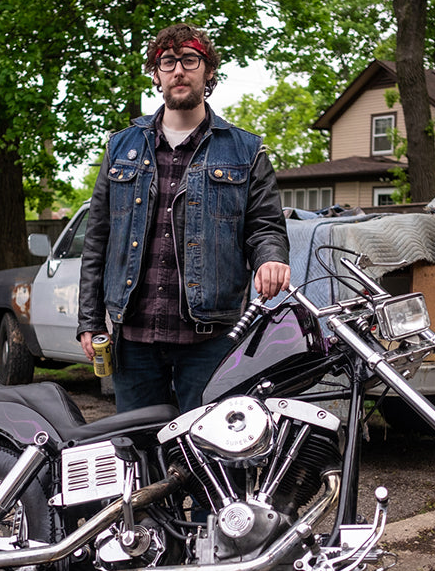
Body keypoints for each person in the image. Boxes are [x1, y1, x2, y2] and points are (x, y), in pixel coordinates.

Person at [77, 23, 290, 413]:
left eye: (190, 60)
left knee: (215, 454)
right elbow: (98, 239)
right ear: (156, 74)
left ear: (209, 72)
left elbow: (265, 226)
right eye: (168, 61)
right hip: (134, 338)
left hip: (210, 340)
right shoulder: (120, 147)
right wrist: (89, 319)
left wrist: (271, 257)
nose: (179, 70)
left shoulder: (246, 150)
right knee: (139, 453)